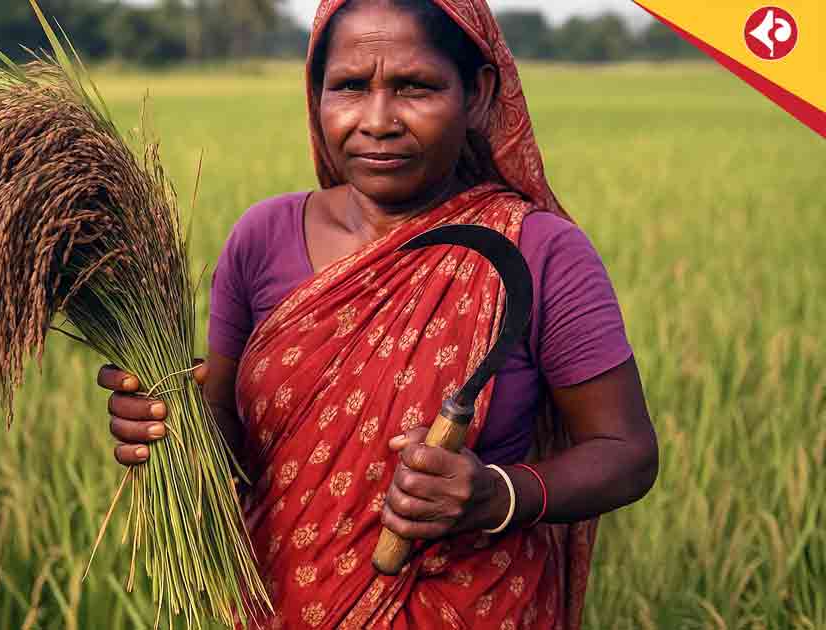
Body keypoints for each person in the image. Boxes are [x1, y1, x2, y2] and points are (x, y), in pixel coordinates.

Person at [97, 0, 659, 627]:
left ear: (476, 94)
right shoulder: (262, 239)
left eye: (414, 87)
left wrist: (496, 494)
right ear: (316, 96)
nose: (378, 120)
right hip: (282, 605)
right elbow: (226, 433)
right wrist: (170, 427)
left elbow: (626, 451)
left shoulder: (539, 250)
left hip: (477, 608)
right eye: (349, 87)